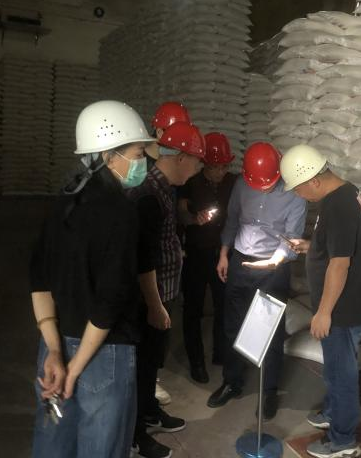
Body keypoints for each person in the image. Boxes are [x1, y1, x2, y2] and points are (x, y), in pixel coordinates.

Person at [29, 100, 152, 458]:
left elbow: (38, 279)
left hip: (54, 346)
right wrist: (75, 368)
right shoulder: (122, 212)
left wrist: (55, 351)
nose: (144, 161)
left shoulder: (64, 201)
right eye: (139, 153)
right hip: (103, 353)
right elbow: (109, 302)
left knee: (54, 444)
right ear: (110, 156)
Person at [279, 144, 361, 458]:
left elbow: (340, 264)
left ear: (313, 180)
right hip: (352, 301)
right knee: (339, 365)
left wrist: (324, 313)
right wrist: (312, 246)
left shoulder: (338, 205)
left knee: (341, 374)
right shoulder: (345, 193)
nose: (298, 195)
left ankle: (342, 440)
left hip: (343, 308)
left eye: (298, 189)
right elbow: (341, 244)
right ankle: (333, 411)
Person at [207, 142, 306, 421]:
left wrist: (274, 262)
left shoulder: (294, 194)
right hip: (240, 262)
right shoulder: (241, 184)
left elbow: (292, 237)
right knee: (233, 325)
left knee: (269, 330)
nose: (261, 188)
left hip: (273, 267)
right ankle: (232, 381)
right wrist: (224, 254)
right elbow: (233, 220)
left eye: (267, 184)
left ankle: (269, 390)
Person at [127, 121, 205, 458]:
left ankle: (148, 410)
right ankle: (135, 434)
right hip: (150, 298)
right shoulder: (148, 194)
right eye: (196, 162)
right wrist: (155, 306)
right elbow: (142, 259)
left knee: (151, 362)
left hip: (164, 291)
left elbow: (159, 241)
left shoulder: (164, 189)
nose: (197, 171)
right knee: (142, 363)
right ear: (181, 157)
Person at [178, 132, 237, 383]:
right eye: (215, 167)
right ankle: (196, 362)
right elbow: (181, 213)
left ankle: (220, 353)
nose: (220, 172)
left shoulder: (234, 182)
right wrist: (194, 219)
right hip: (196, 254)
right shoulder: (190, 182)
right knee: (193, 309)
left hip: (223, 254)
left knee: (224, 305)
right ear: (204, 164)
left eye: (224, 166)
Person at [148, 101, 191, 407]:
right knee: (149, 338)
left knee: (158, 339)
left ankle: (150, 386)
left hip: (167, 276)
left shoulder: (170, 184)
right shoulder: (147, 181)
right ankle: (145, 399)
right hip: (155, 281)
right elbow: (143, 252)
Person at [145, 102, 191, 168]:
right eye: (178, 135)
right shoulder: (140, 165)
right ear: (160, 133)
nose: (182, 141)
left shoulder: (175, 161)